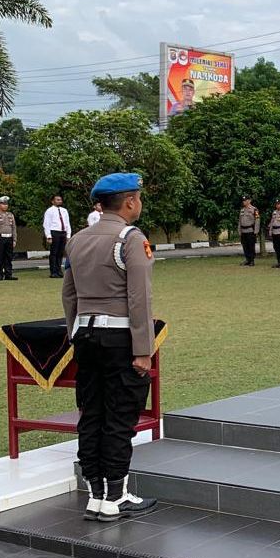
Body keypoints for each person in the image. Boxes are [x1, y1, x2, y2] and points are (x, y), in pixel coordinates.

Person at [62, 172, 158, 522]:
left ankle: (96, 496)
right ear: (130, 201)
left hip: (85, 337)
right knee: (119, 416)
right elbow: (140, 299)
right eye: (139, 198)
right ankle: (117, 497)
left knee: (92, 414)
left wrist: (74, 333)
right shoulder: (130, 238)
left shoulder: (77, 240)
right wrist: (143, 349)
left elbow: (69, 294)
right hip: (120, 339)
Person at [43, 194, 73, 278]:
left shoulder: (64, 210)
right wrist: (48, 236)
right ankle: (53, 271)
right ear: (52, 201)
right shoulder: (49, 210)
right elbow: (46, 224)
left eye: (60, 199)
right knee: (54, 253)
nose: (59, 201)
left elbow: (67, 223)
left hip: (63, 232)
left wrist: (68, 234)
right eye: (57, 199)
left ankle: (59, 270)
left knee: (60, 253)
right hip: (54, 232)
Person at [238, 196, 259, 267]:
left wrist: (256, 231)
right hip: (243, 230)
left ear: (249, 201)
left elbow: (257, 220)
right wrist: (239, 230)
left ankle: (252, 260)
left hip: (250, 230)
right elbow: (239, 221)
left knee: (251, 246)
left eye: (245, 200)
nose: (244, 202)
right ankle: (247, 259)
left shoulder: (254, 209)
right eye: (243, 201)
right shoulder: (242, 210)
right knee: (245, 246)